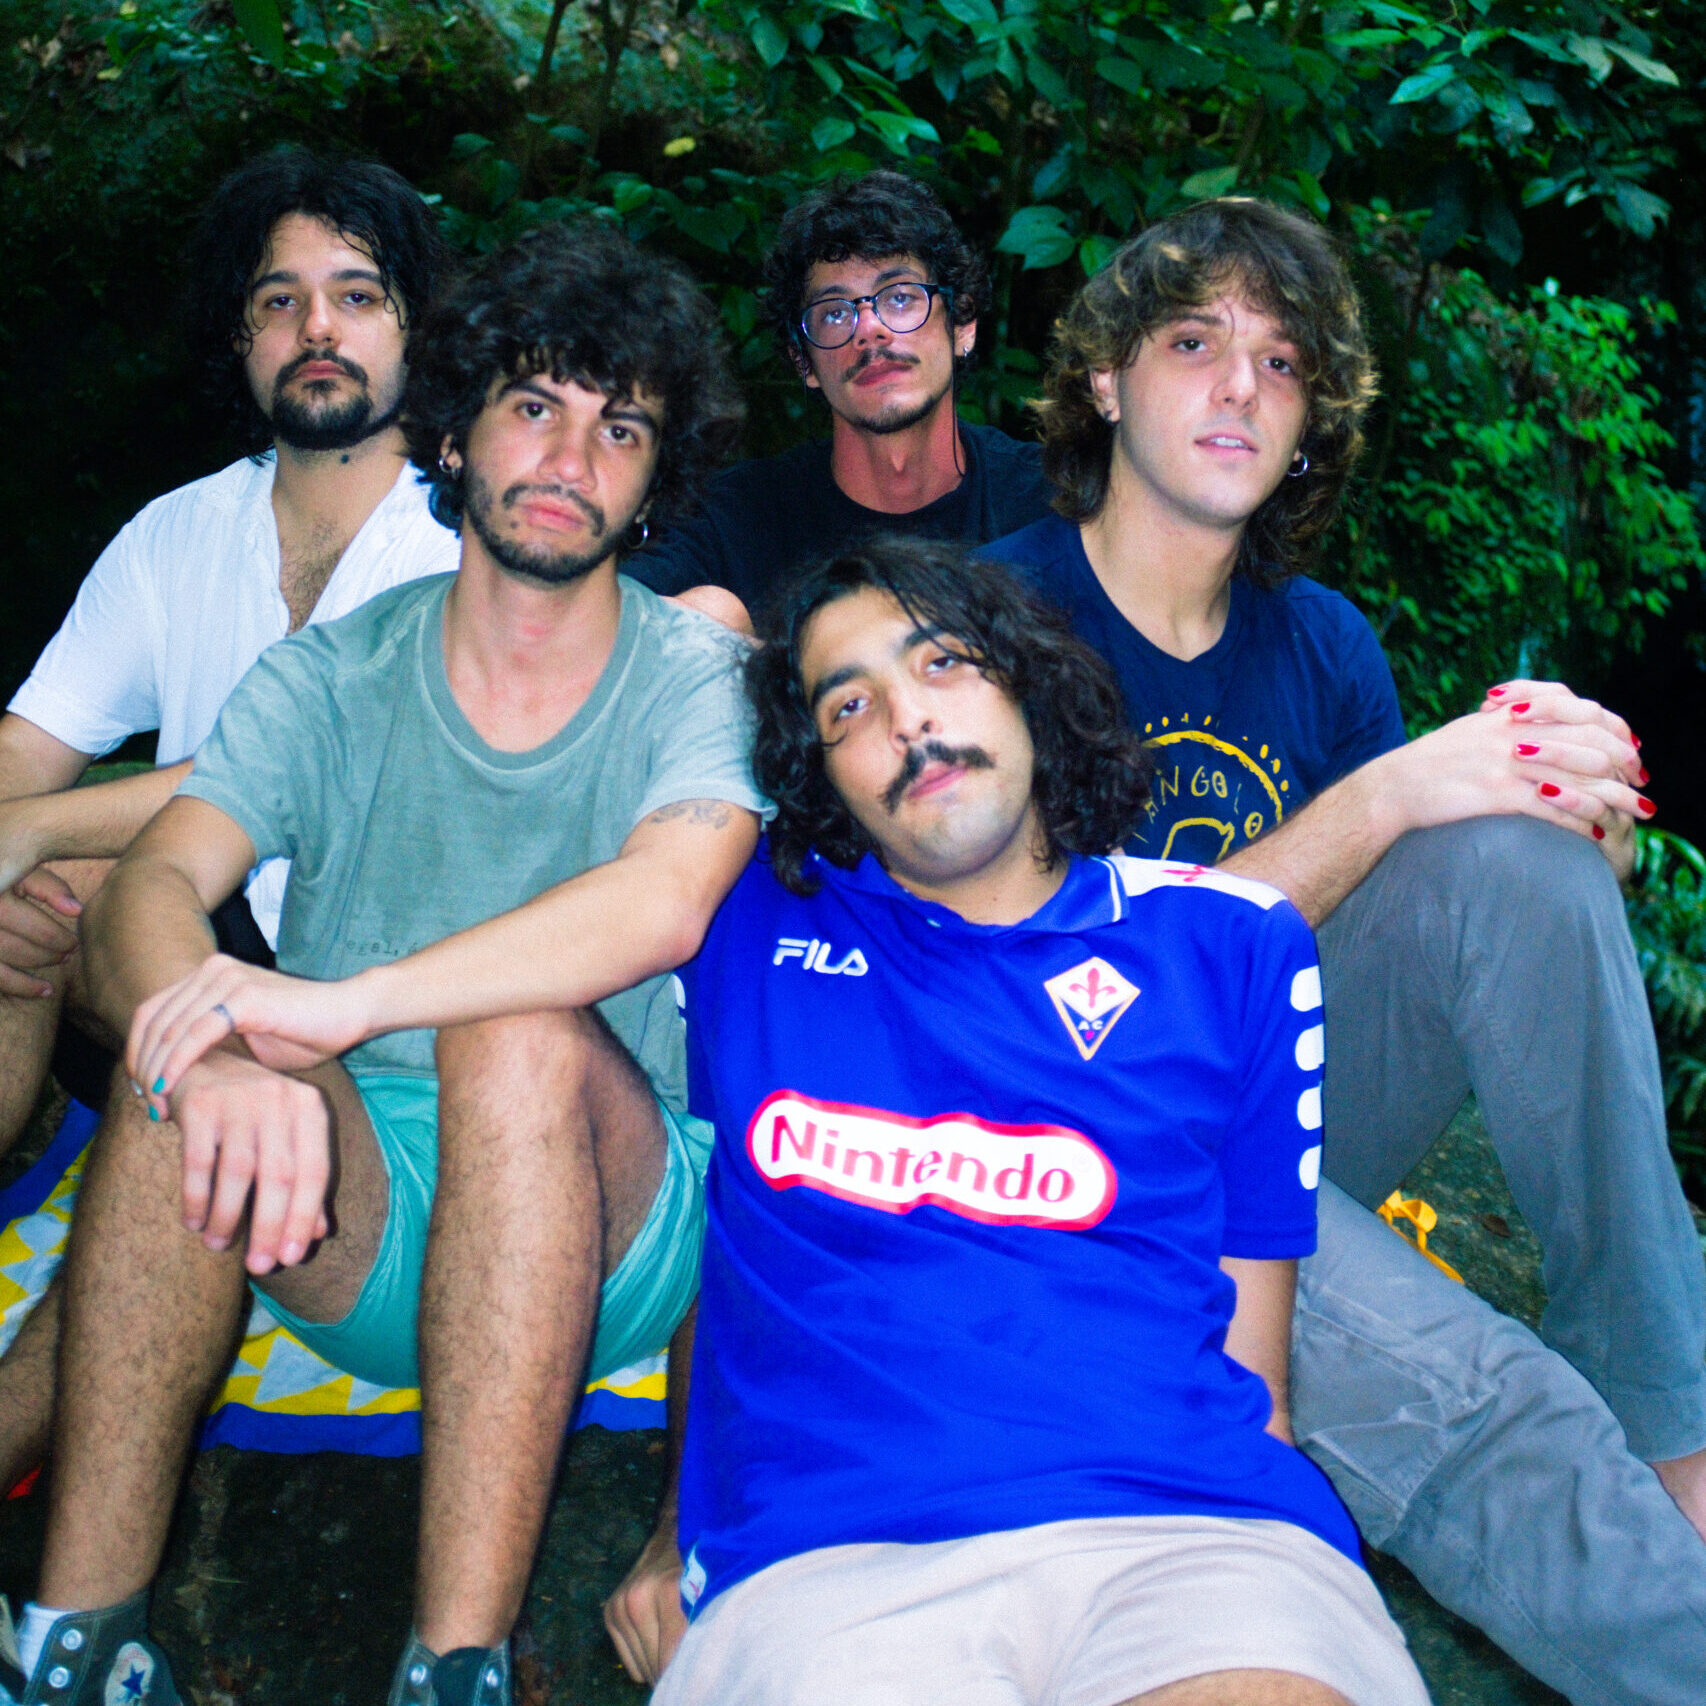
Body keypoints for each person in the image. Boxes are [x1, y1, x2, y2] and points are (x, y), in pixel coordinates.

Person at [0, 223, 763, 1706]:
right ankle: (76, 1640)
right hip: (349, 1212)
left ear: (655, 479)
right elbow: (159, 877)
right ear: (456, 435)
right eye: (532, 406)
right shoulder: (333, 674)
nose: (570, 457)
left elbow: (666, 902)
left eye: (620, 429)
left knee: (515, 1039)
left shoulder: (698, 675)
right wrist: (219, 1051)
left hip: (608, 1214)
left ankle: (451, 1664)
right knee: (188, 1045)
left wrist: (336, 1005)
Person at [979, 198, 1706, 1700]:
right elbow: (1045, 1002)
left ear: (1311, 418)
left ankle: (1669, 1418)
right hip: (1077, 1164)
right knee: (1477, 1387)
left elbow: (1425, 900)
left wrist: (1562, 817)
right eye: (1195, 343)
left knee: (1514, 856)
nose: (1240, 386)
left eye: (1281, 361)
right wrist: (1384, 794)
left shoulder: (1320, 643)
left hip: (1282, 1114)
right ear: (1104, 378)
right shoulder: (984, 623)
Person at [637, 536, 1431, 1705]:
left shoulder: (1231, 944)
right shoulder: (734, 922)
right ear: (817, 772)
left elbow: (1253, 1374)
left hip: (1193, 1535)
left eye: (942, 662)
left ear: (1026, 680)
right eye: (847, 705)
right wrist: (672, 1531)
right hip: (832, 1556)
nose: (906, 719)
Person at [0, 144, 458, 1159]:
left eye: (357, 296)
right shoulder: (177, 532)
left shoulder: (475, 538)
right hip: (185, 934)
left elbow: (294, 777)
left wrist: (27, 833)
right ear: (238, 333)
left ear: (418, 327)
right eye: (279, 301)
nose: (318, 328)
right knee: (20, 913)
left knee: (53, 865)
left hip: (392, 982)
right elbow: (27, 747)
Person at [624, 170, 1050, 617]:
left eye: (900, 297)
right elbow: (602, 621)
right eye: (834, 314)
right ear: (804, 362)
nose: (869, 329)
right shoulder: (734, 520)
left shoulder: (1049, 500)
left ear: (962, 325)